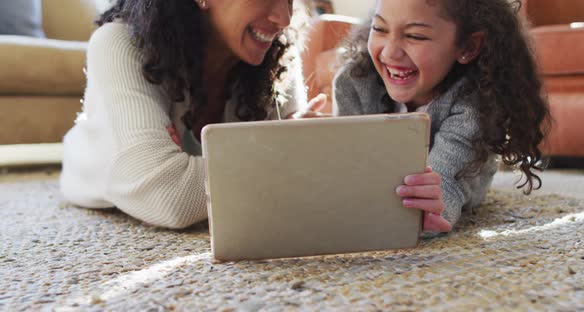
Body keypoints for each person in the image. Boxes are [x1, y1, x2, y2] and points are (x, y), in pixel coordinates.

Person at [60, 0, 331, 228]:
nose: (283, 18)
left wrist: (289, 151)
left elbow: (299, 181)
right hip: (102, 189)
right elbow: (169, 197)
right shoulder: (119, 42)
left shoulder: (277, 51)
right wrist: (285, 149)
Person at [333, 0, 550, 233]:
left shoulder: (477, 105)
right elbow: (345, 168)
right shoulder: (353, 82)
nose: (390, 52)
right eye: (380, 29)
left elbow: (446, 184)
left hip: (456, 183)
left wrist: (431, 212)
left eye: (415, 36)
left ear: (467, 47)